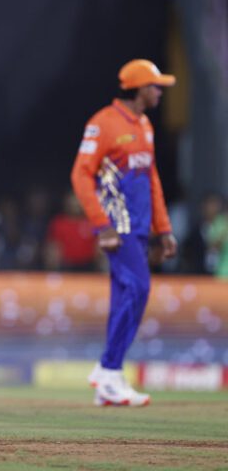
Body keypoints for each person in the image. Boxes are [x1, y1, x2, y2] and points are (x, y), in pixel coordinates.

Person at [71, 58, 177, 407]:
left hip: (142, 227)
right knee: (140, 288)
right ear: (140, 89)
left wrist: (164, 229)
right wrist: (102, 225)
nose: (160, 92)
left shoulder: (145, 126)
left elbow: (153, 179)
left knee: (125, 296)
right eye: (155, 86)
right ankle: (109, 368)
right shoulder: (103, 124)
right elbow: (80, 176)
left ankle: (108, 381)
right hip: (119, 226)